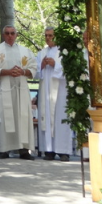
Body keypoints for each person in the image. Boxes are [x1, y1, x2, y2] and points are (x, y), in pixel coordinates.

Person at [0, 25, 37, 160]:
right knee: (4, 118)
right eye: (7, 33)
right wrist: (9, 72)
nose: (10, 36)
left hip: (21, 89)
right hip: (5, 89)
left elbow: (33, 69)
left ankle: (23, 150)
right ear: (4, 35)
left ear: (16, 35)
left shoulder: (25, 51)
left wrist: (22, 71)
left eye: (12, 33)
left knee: (23, 118)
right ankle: (4, 149)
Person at [36, 28, 72, 161]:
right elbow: (36, 72)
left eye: (50, 35)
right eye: (46, 35)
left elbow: (70, 70)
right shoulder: (42, 53)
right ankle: (48, 150)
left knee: (61, 119)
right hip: (46, 91)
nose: (48, 38)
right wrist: (42, 64)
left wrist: (55, 64)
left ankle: (63, 151)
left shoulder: (64, 52)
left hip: (61, 92)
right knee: (47, 118)